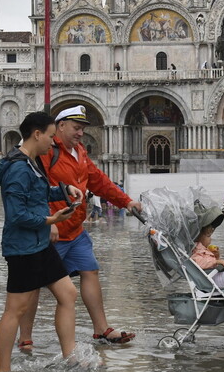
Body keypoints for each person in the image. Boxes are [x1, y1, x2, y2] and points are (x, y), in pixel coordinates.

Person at [17, 105, 141, 347]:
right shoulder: (46, 152)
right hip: (51, 231)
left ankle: (102, 329)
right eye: (76, 128)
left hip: (75, 230)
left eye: (83, 129)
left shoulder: (81, 153)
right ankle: (25, 338)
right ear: (60, 126)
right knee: (34, 285)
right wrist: (47, 220)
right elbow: (32, 189)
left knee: (90, 271)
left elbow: (99, 182)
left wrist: (126, 201)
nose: (80, 133)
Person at [0, 111, 83, 372]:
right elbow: (16, 215)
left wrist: (65, 190)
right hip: (22, 248)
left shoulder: (32, 162)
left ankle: (71, 358)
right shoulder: (19, 169)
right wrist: (50, 220)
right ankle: (3, 371)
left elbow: (40, 192)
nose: (53, 143)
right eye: (51, 136)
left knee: (68, 293)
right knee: (15, 310)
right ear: (37, 134)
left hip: (40, 244)